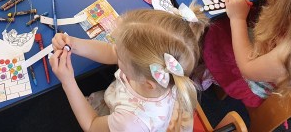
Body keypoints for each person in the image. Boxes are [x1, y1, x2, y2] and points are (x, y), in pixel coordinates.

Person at [50, 7, 207, 131]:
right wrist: (74, 44)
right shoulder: (168, 72)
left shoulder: (129, 122)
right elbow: (111, 51)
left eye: (120, 56)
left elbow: (92, 125)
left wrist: (68, 82)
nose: (115, 52)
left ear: (147, 83)